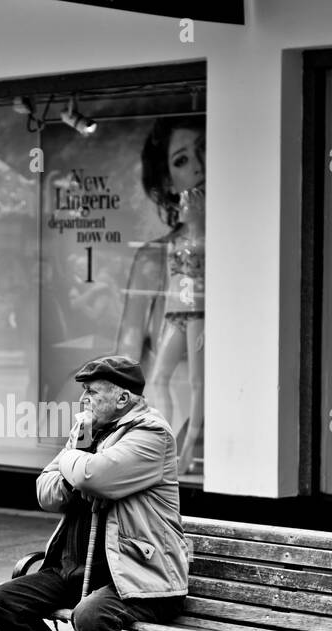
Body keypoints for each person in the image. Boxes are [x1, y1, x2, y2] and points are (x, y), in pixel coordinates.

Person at [0, 355, 189, 631]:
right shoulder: (88, 436)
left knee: (92, 615)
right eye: (83, 392)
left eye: (92, 393)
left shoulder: (151, 434)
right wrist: (74, 471)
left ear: (123, 397)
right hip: (75, 567)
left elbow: (97, 477)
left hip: (136, 573)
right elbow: (45, 492)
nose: (83, 401)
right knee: (5, 602)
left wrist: (72, 460)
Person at [115, 115, 206, 475]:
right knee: (159, 379)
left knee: (199, 383)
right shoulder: (154, 255)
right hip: (179, 316)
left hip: (199, 316)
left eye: (205, 152)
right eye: (182, 160)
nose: (199, 168)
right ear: (168, 181)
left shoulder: (223, 240)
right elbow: (130, 338)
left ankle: (187, 451)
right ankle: (170, 451)